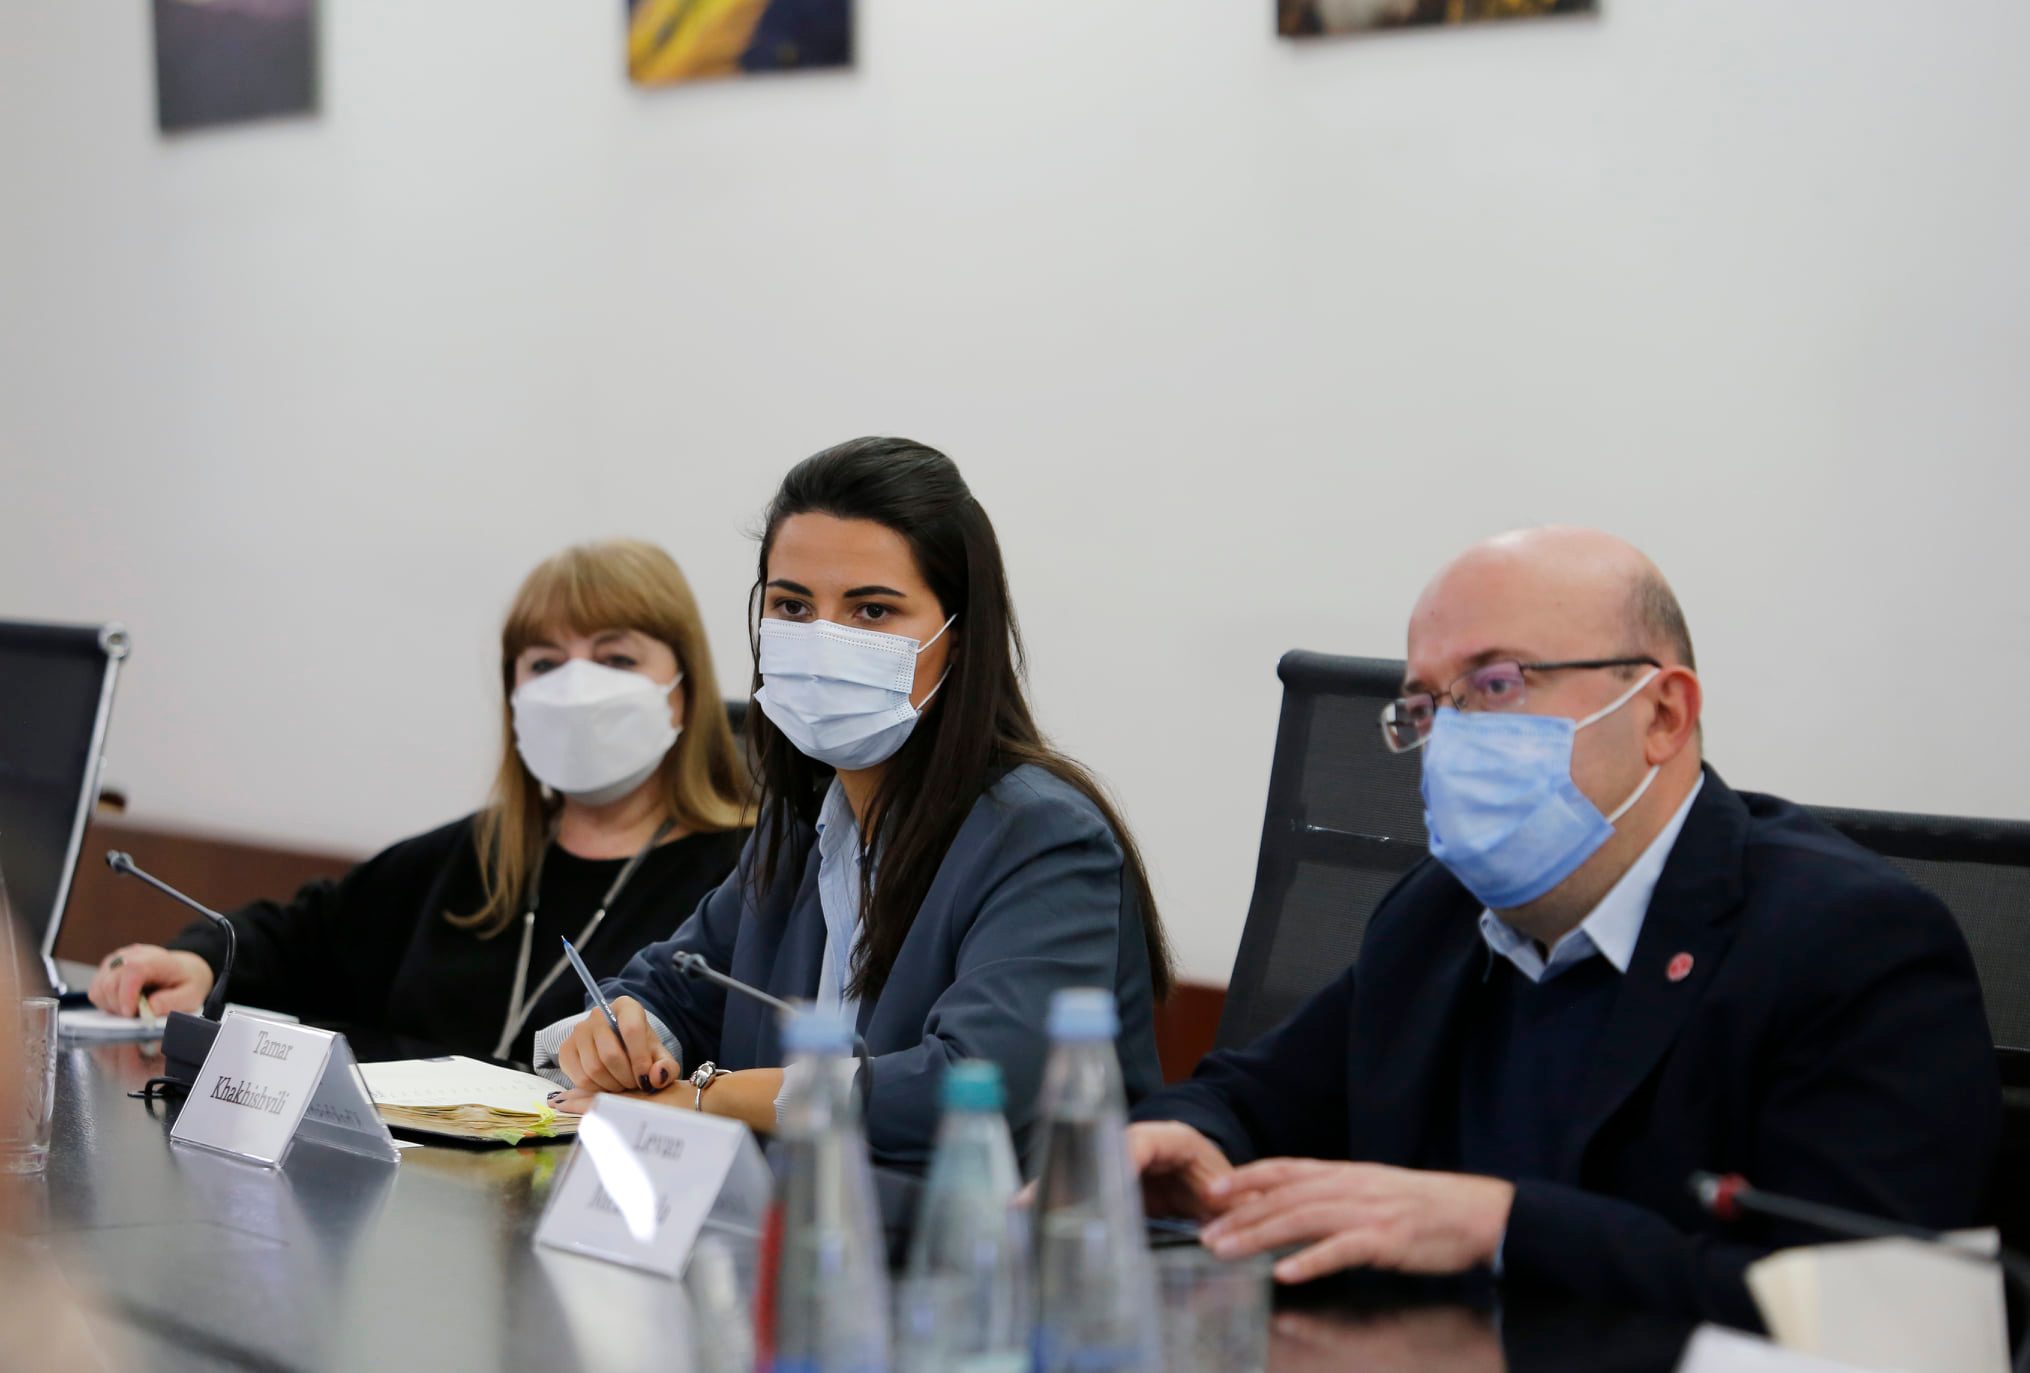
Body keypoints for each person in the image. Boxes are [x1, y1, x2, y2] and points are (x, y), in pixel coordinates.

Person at [1125, 527, 1999, 1324]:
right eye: (1427, 706)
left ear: (1663, 714)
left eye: (1497, 684)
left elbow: (1873, 1306)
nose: (1450, 739)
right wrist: (1191, 1137)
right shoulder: (1439, 912)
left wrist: (1505, 1225)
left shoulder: (1851, 942)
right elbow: (1254, 1095)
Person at [542, 437, 1172, 1170]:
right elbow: (672, 988)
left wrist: (712, 1095)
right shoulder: (802, 820)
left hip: (975, 1231)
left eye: (872, 611)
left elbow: (974, 1084)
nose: (824, 641)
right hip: (781, 1218)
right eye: (793, 606)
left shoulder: (1044, 837)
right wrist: (624, 1032)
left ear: (959, 637)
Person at [85, 540, 751, 1064]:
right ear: (515, 695)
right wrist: (199, 961)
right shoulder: (467, 858)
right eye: (546, 664)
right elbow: (300, 938)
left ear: (684, 691)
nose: (577, 689)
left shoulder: (746, 878)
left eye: (616, 659)